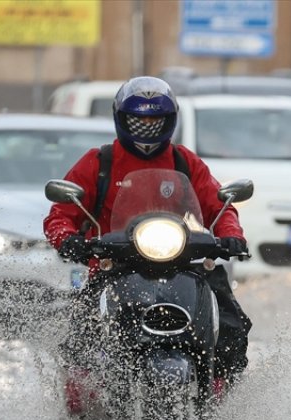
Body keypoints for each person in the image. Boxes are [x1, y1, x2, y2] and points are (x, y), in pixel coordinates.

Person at [44, 76, 252, 392]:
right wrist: (68, 239)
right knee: (79, 332)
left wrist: (231, 235)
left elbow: (217, 204)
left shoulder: (184, 161)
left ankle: (219, 384)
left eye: (155, 120)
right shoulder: (99, 162)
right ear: (121, 119)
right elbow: (61, 214)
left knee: (230, 319)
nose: (147, 127)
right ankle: (80, 393)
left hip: (184, 263)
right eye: (138, 120)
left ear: (169, 121)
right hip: (115, 265)